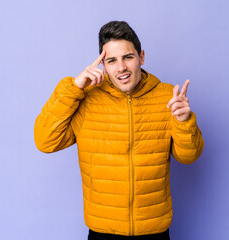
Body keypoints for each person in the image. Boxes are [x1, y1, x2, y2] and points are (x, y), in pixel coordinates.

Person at [34, 21, 204, 240]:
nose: (121, 67)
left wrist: (185, 121)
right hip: (103, 233)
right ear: (102, 64)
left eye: (128, 57)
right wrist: (73, 88)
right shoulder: (86, 98)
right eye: (111, 61)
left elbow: (189, 156)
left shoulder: (167, 98)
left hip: (154, 231)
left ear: (141, 57)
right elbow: (44, 141)